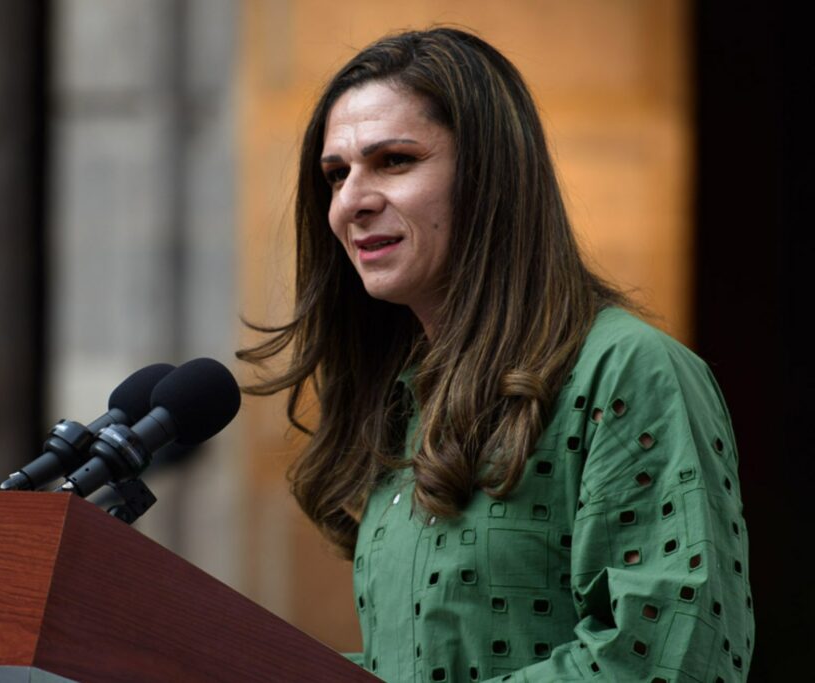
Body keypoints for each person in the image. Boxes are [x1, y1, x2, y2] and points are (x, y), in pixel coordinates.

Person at [238, 28, 753, 682]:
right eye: (336, 174)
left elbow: (667, 663)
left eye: (394, 160)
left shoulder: (625, 370)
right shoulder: (404, 397)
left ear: (488, 176)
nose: (351, 202)